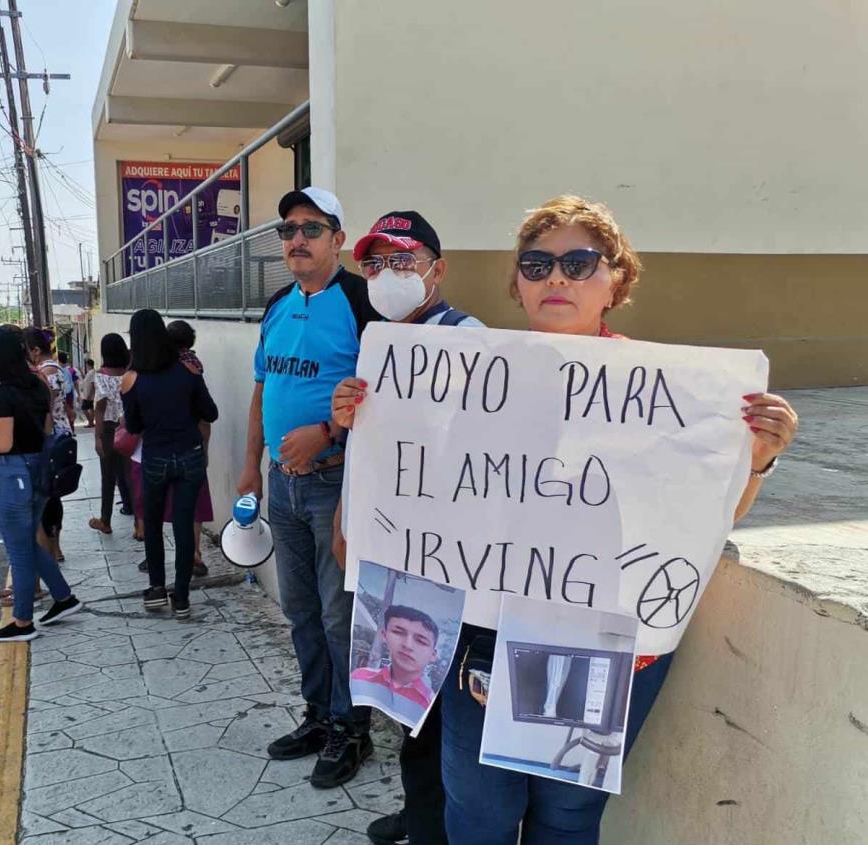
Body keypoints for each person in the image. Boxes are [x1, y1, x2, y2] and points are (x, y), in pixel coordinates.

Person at [335, 195, 799, 844]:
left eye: (580, 263)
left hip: (604, 642)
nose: (556, 277)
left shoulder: (670, 389)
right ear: (517, 284)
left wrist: (753, 461)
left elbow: (702, 518)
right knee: (477, 812)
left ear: (616, 279)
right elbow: (427, 491)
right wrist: (373, 424)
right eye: (537, 263)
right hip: (485, 630)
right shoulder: (468, 376)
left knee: (568, 815)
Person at [333, 210, 482, 845]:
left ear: (436, 269)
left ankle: (431, 826)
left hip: (447, 558)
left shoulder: (470, 338)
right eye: (374, 263)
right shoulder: (379, 342)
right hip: (395, 549)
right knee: (403, 697)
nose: (387, 275)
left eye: (402, 260)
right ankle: (418, 810)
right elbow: (374, 449)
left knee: (438, 713)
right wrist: (348, 418)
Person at [237, 186, 380, 790]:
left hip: (336, 483)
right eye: (288, 230)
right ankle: (319, 716)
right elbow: (262, 390)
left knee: (338, 614)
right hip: (282, 484)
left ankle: (354, 729)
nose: (297, 240)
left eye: (312, 229)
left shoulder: (360, 301)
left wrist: (325, 432)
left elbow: (388, 394)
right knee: (299, 610)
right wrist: (250, 466)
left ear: (338, 239)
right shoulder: (277, 304)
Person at [0, 326, 82, 642]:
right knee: (28, 541)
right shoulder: (40, 384)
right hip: (38, 471)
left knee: (19, 548)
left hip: (13, 473)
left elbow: (4, 442)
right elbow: (47, 429)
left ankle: (22, 622)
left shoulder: (5, 392)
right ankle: (64, 598)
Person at [121, 309, 219, 619]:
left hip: (155, 456)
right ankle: (182, 596)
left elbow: (134, 426)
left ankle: (156, 589)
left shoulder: (131, 379)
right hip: (189, 453)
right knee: (183, 523)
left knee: (151, 523)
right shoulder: (186, 371)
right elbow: (210, 412)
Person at [167, 319, 214, 574]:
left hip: (174, 443)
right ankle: (195, 550)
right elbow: (207, 415)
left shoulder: (167, 368)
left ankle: (185, 553)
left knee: (178, 503)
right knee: (195, 501)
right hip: (197, 439)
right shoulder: (195, 365)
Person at [23, 328, 71, 562]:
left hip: (51, 438)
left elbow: (45, 408)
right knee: (54, 495)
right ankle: (57, 546)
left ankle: (52, 548)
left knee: (47, 496)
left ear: (35, 351)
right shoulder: (58, 369)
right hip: (63, 435)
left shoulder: (45, 373)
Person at [351, 605, 440, 724]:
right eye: (398, 632)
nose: (407, 645)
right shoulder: (359, 677)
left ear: (433, 655)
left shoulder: (430, 703)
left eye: (420, 641)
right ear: (384, 635)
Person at [88, 335, 134, 534]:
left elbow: (99, 408)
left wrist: (97, 437)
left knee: (108, 477)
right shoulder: (131, 374)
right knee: (131, 474)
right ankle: (138, 523)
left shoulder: (101, 376)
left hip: (108, 429)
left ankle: (105, 520)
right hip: (130, 427)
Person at [58, 351, 78, 432]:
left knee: (61, 413)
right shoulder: (71, 370)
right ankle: (72, 428)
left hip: (61, 394)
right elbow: (75, 382)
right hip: (70, 394)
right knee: (70, 412)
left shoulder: (57, 370)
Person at [79, 358, 97, 427]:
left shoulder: (92, 372)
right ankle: (91, 422)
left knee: (84, 408)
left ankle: (90, 421)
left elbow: (92, 383)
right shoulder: (89, 372)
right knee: (91, 408)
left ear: (88, 365)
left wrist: (90, 394)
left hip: (88, 395)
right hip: (87, 393)